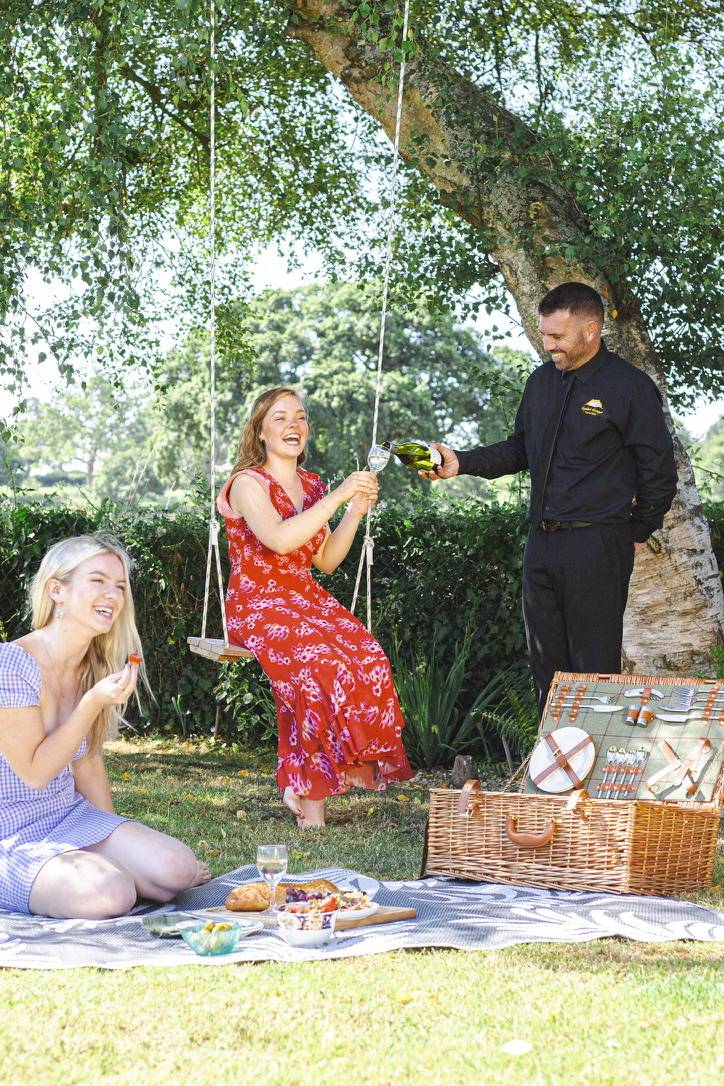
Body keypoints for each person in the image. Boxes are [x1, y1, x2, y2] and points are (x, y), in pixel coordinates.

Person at [420, 282, 677, 716]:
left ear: (591, 330)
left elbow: (660, 475)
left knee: (594, 674)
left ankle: (593, 760)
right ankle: (552, 758)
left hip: (597, 545)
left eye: (557, 336)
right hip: (541, 544)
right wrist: (460, 462)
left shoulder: (629, 387)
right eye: (545, 335)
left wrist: (633, 532)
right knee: (548, 672)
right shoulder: (540, 382)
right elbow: (520, 449)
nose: (548, 344)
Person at [217, 386, 413, 828]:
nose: (294, 425)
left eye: (300, 417)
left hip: (305, 598)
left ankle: (302, 783)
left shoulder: (312, 485)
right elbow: (279, 540)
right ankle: (310, 801)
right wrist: (338, 496)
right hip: (259, 602)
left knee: (370, 659)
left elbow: (325, 560)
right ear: (260, 431)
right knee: (319, 668)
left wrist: (354, 511)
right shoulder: (248, 483)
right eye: (281, 417)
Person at [0, 534, 211, 919]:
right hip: (10, 834)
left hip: (66, 815)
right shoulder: (11, 664)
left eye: (120, 586)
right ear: (57, 591)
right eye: (97, 581)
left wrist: (111, 834)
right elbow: (34, 773)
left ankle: (100, 879)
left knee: (178, 869)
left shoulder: (93, 666)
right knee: (111, 893)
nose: (112, 595)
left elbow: (88, 761)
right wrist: (91, 704)